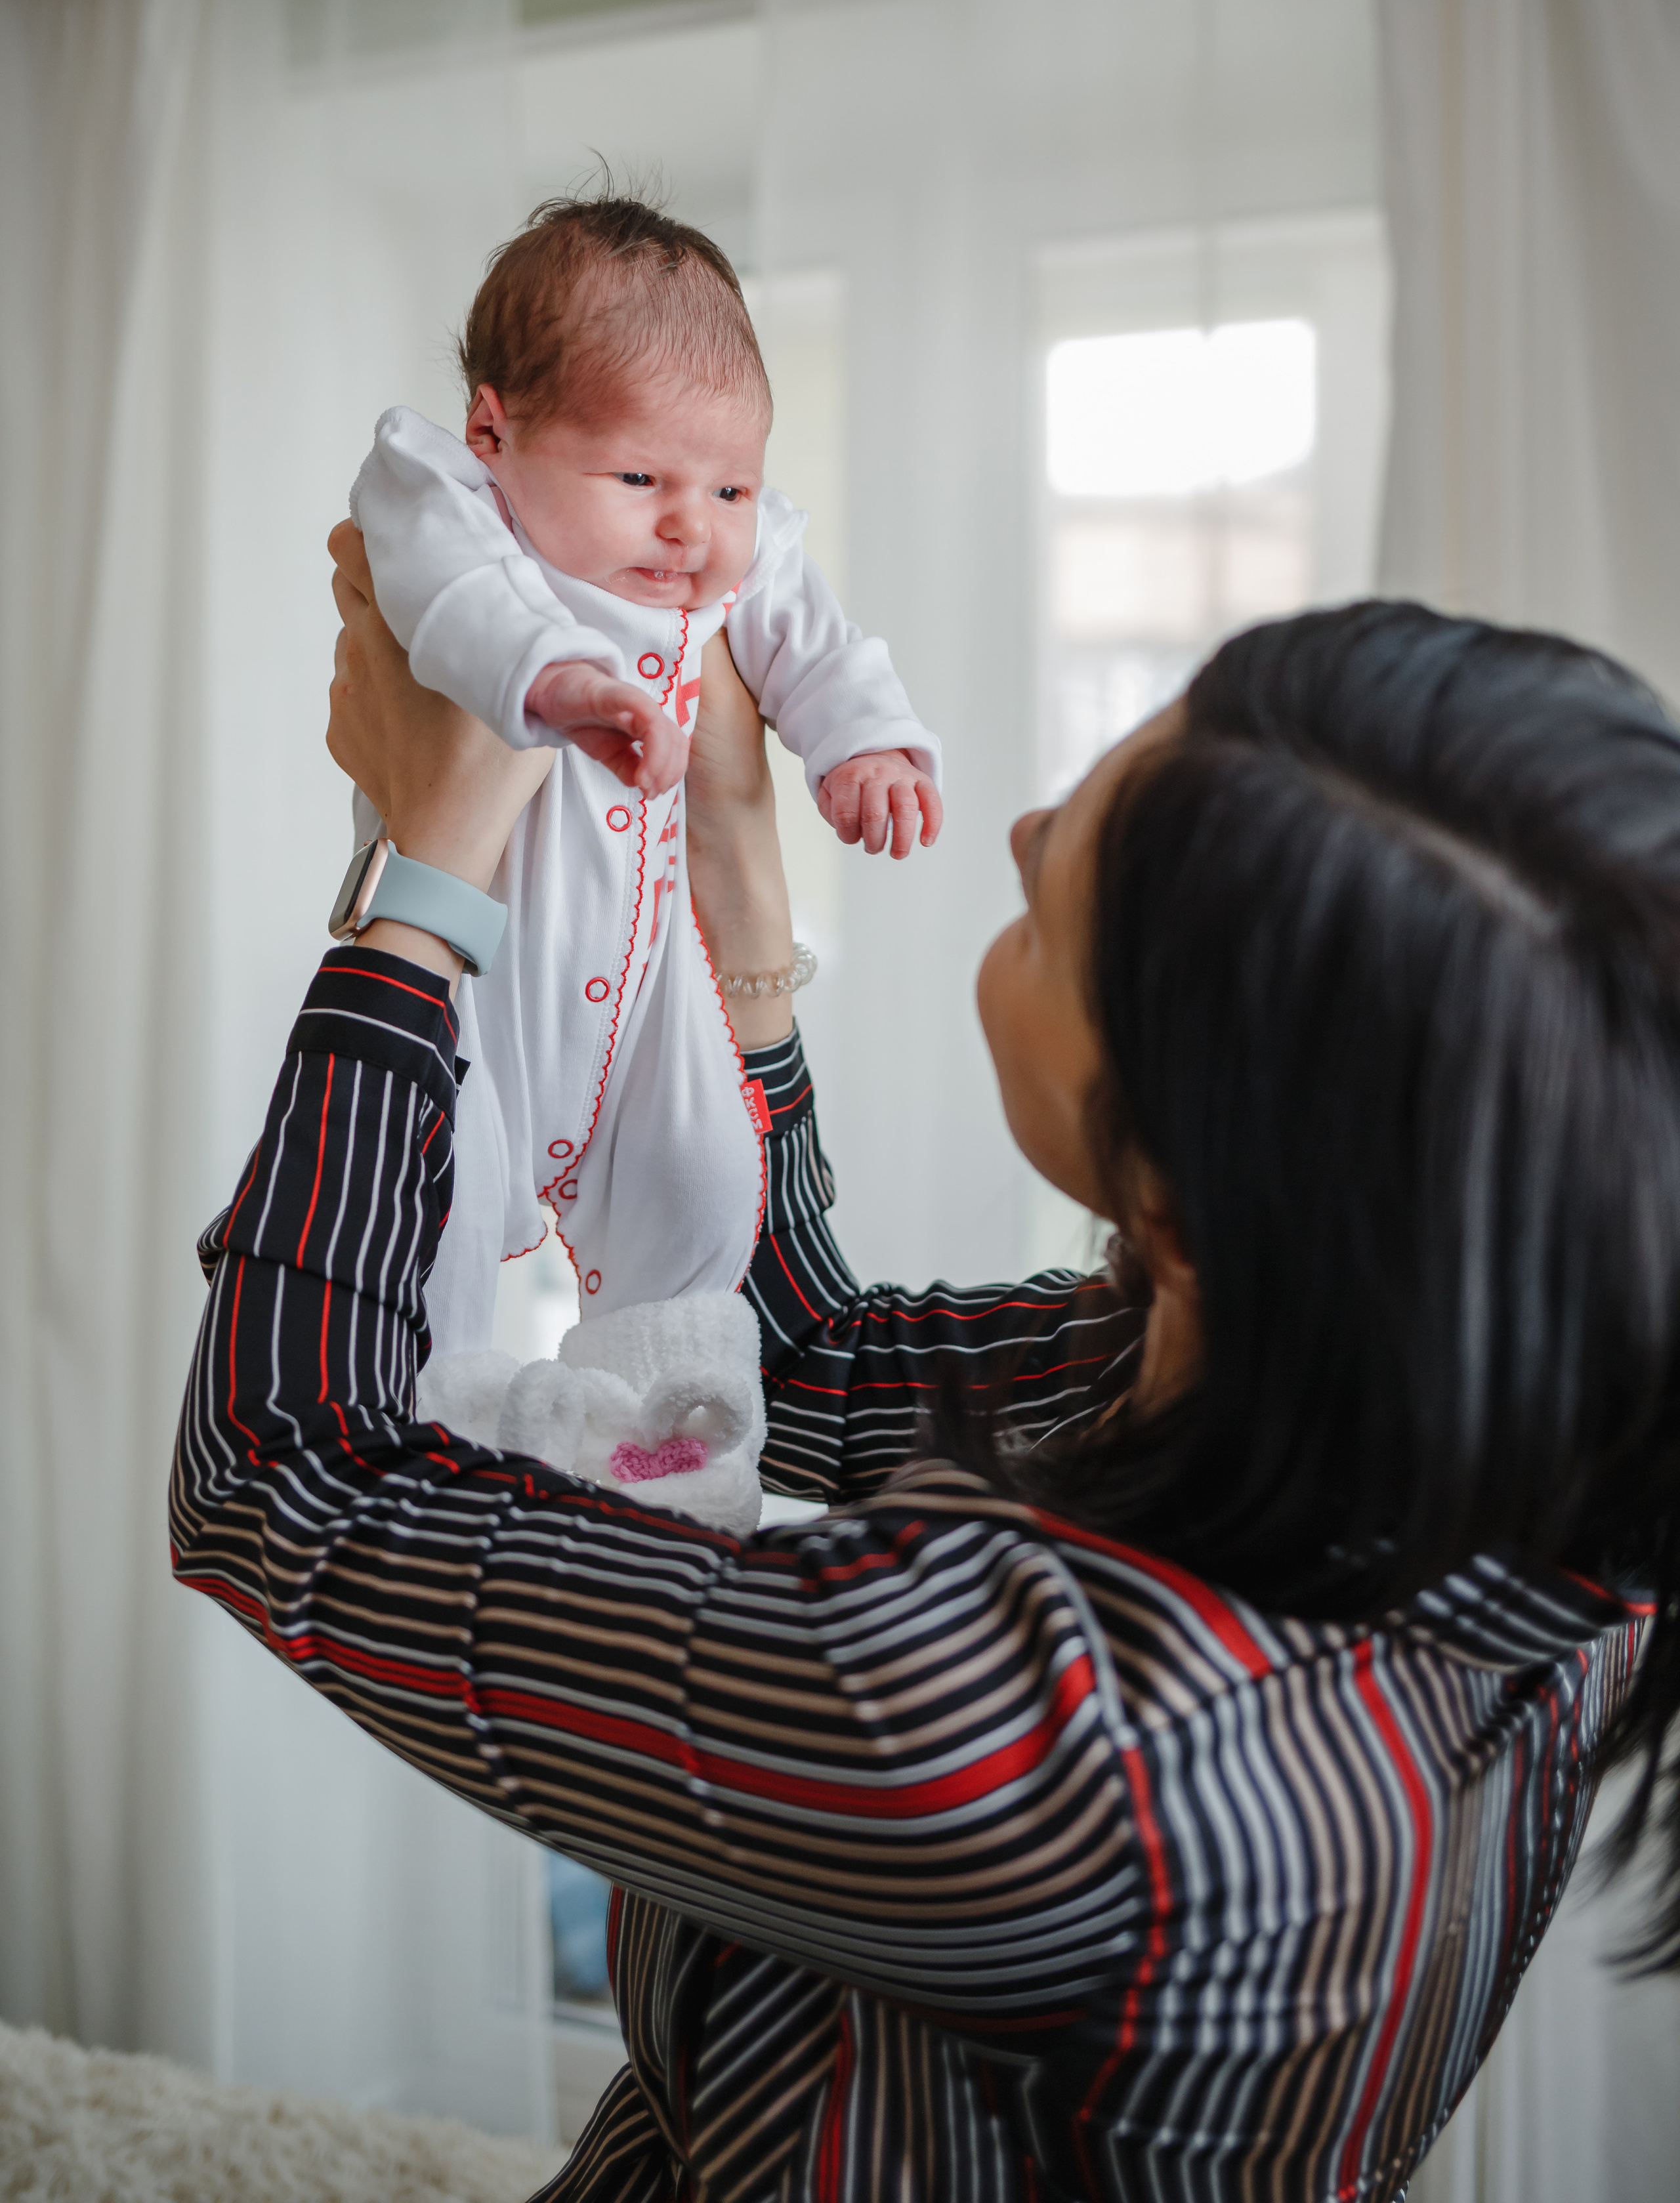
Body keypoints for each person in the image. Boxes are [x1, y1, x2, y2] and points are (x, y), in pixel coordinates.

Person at [171, 555, 1680, 2203]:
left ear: (1177, 1204)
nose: (1022, 833)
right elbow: (808, 1360)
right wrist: (738, 871)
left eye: (1056, 908)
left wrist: (429, 873)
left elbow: (282, 1483)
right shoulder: (1474, 1449)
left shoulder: (1060, 1750)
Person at [345, 193, 940, 1355]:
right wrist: (554, 680)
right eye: (639, 480)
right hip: (470, 980)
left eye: (729, 489)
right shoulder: (445, 498)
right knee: (434, 1212)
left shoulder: (739, 558)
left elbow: (818, 645)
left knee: (711, 1180)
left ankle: (652, 1452)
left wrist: (865, 741)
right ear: (493, 433)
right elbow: (447, 598)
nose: (693, 528)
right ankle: (439, 1425)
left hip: (660, 978)